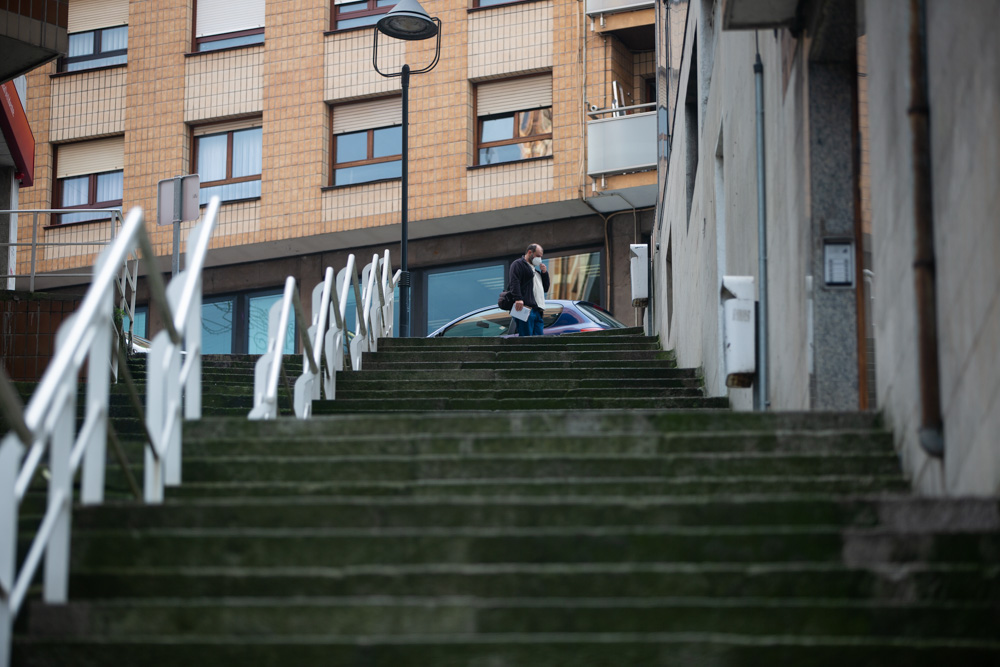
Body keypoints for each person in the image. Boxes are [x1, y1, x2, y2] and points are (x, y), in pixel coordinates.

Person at [508, 243, 550, 336]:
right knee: (527, 338)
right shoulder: (518, 264)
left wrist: (544, 273)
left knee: (538, 340)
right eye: (538, 256)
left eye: (541, 256)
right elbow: (514, 282)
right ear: (530, 252)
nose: (539, 259)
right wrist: (518, 298)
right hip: (526, 309)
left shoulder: (536, 271)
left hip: (538, 310)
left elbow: (546, 288)